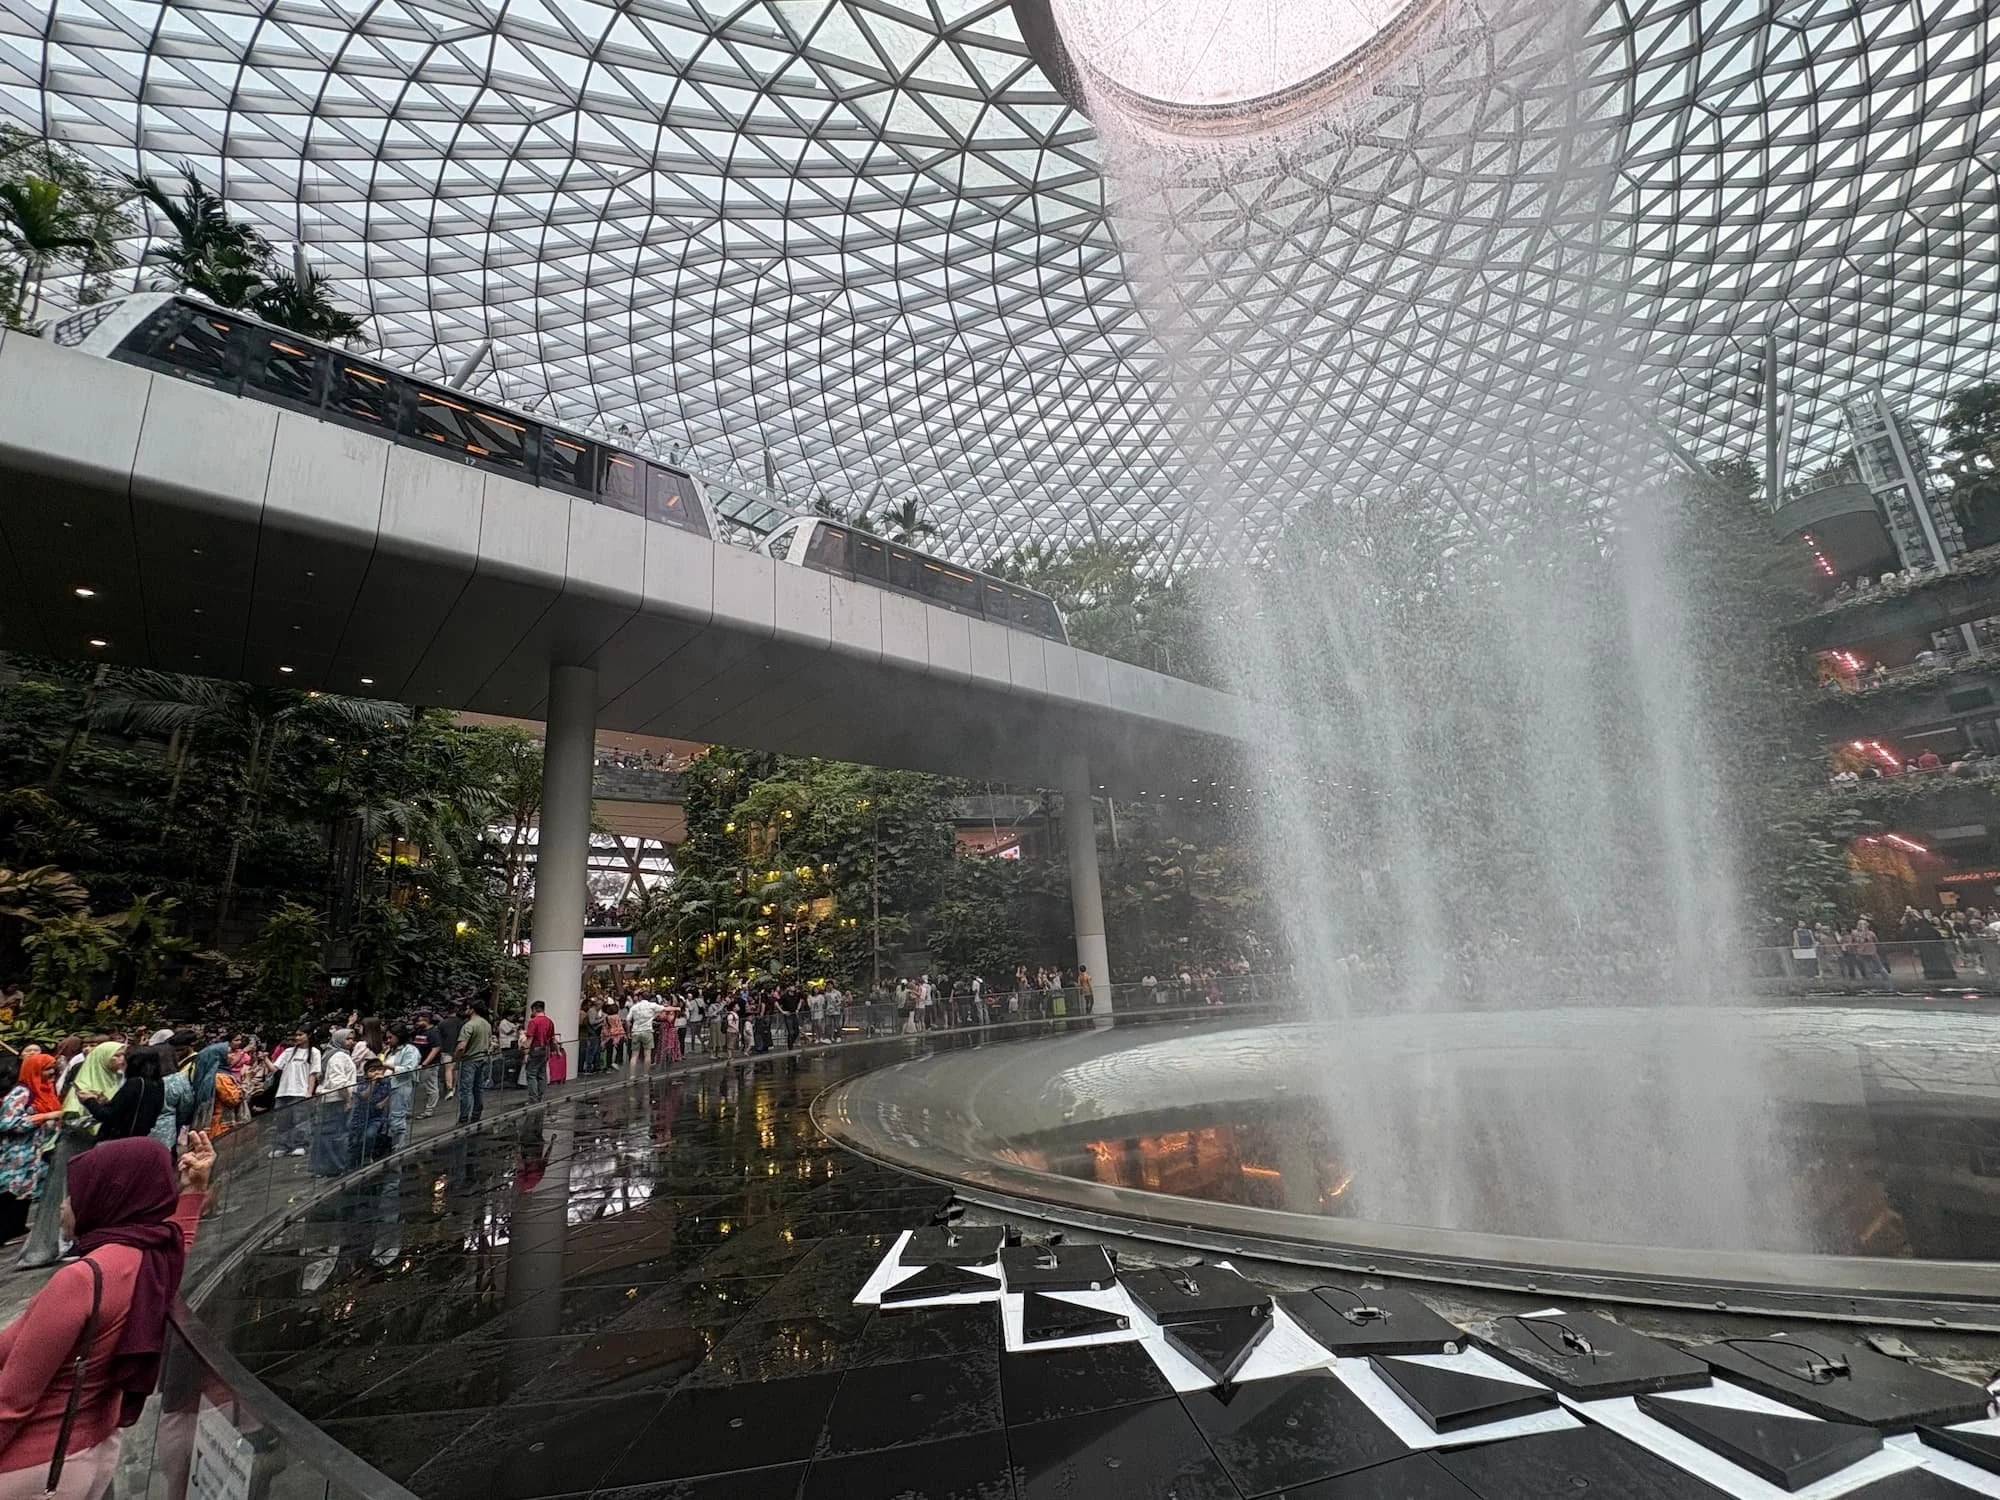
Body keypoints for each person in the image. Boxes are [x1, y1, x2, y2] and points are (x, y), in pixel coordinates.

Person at [0, 1132, 214, 1499]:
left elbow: (12, 1403)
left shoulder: (81, 1279)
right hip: (95, 1452)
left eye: (75, 1194)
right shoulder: (150, 1260)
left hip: (34, 1466)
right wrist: (194, 1190)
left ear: (107, 1197)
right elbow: (179, 1239)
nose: (63, 1206)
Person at [0, 1057, 58, 1246]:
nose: (52, 1073)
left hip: (34, 1152)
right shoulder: (22, 1093)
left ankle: (16, 1229)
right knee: (9, 1191)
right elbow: (7, 1122)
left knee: (24, 1192)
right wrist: (43, 1117)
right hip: (16, 1152)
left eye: (53, 1069)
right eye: (47, 1069)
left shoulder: (44, 1090)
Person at [81, 1048, 159, 1145]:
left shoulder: (135, 1084)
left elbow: (108, 1115)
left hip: (120, 1141)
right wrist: (107, 1103)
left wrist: (89, 1100)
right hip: (140, 1141)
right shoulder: (156, 1084)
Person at [384, 1024, 421, 1148]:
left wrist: (390, 1067)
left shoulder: (410, 1050)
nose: (388, 1040)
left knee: (397, 1116)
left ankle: (399, 1146)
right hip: (388, 1086)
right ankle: (390, 1144)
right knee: (388, 1118)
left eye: (390, 1037)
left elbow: (409, 1068)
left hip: (401, 1085)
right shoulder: (389, 1050)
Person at [456, 1002, 493, 1125]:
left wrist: (456, 1057)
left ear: (472, 1010)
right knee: (478, 1088)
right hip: (483, 1058)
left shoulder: (469, 1025)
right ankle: (477, 1114)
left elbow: (462, 1046)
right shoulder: (486, 1024)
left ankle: (464, 1117)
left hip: (470, 1059)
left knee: (466, 1089)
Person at [522, 1001, 557, 1104]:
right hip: (545, 1049)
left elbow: (529, 1039)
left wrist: (526, 1053)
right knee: (542, 1074)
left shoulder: (533, 1022)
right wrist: (555, 1050)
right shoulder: (549, 1021)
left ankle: (533, 1098)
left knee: (531, 1074)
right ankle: (541, 1097)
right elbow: (553, 1038)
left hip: (535, 1050)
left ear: (534, 1009)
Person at [625, 992, 660, 1078]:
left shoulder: (634, 1007)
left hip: (636, 1032)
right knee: (647, 1054)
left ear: (640, 997)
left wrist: (628, 1032)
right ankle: (645, 1074)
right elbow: (662, 1010)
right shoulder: (651, 1006)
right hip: (647, 1031)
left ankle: (632, 1075)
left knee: (634, 1055)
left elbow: (627, 1020)